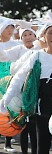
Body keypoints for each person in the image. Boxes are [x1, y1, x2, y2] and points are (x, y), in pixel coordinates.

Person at [0, 23, 52, 154]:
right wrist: (7, 98)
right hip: (43, 107)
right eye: (50, 33)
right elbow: (19, 77)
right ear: (43, 37)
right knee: (43, 145)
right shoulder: (37, 55)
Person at [0, 19, 21, 153]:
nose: (9, 30)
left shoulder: (17, 44)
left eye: (12, 27)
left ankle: (7, 143)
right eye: (7, 27)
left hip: (11, 79)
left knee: (10, 109)